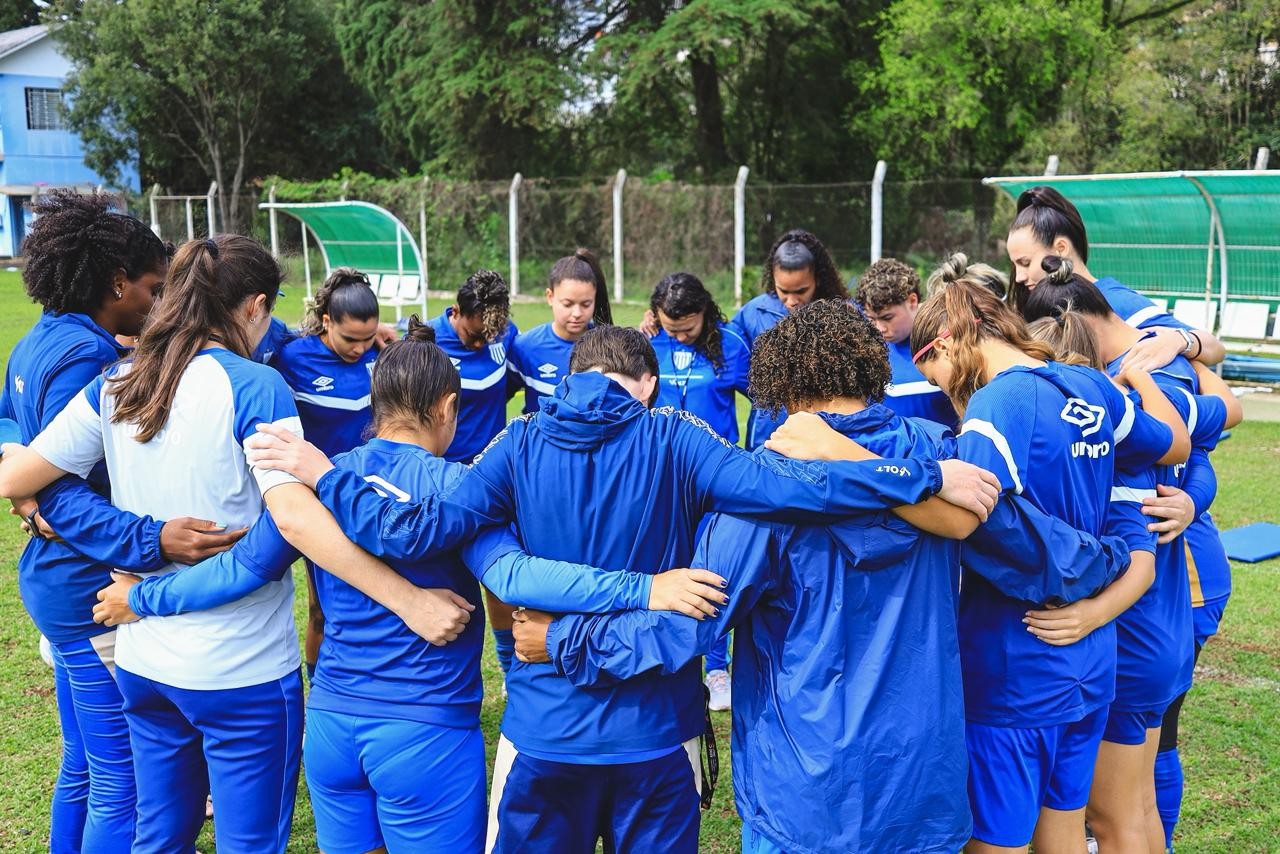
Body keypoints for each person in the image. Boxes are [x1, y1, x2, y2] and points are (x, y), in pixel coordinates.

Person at [246, 325, 1005, 854]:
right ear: (643, 383)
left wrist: (323, 473)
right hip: (658, 734)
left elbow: (420, 533)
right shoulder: (676, 436)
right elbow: (788, 487)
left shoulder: (514, 445)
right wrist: (920, 475)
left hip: (546, 731)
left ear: (566, 378)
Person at [511, 300, 1144, 854]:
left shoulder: (767, 489)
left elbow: (687, 621)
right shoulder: (939, 458)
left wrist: (562, 640)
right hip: (919, 784)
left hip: (801, 795)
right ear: (874, 368)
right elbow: (1042, 549)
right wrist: (1123, 550)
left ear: (780, 389)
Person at [89, 316, 730, 854]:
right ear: (449, 409)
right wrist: (521, 657)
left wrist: (140, 599)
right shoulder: (464, 490)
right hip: (424, 730)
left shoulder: (318, 483)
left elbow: (241, 568)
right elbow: (505, 584)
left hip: (334, 723)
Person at [0, 234, 472, 853]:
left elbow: (15, 476)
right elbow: (291, 530)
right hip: (238, 670)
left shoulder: (118, 379)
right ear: (254, 306)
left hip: (145, 665)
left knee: (157, 838)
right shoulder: (255, 386)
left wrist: (79, 525)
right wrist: (410, 601)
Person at [884, 275, 1176, 852]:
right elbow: (1169, 444)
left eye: (931, 373)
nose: (940, 390)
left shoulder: (996, 404)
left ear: (942, 345)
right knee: (1064, 830)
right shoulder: (1089, 385)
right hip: (1090, 667)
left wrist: (855, 467)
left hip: (1015, 669)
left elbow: (970, 517)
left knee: (997, 841)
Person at [0, 192, 242, 853]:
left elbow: (11, 425)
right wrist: (154, 538)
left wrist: (21, 480)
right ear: (116, 283)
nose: (159, 302)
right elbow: (65, 488)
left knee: (85, 766)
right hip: (90, 591)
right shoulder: (86, 358)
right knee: (123, 783)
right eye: (152, 288)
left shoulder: (42, 335)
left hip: (59, 586)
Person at [1021, 260, 1240, 851]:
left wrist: (1175, 353)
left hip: (1135, 628)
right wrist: (1186, 349)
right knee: (1136, 807)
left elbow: (1193, 437)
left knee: (1112, 819)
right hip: (1160, 627)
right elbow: (1207, 437)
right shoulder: (1144, 385)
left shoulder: (1117, 402)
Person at [272, 267, 381, 678]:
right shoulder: (292, 357)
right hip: (312, 499)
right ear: (327, 321)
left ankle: (367, 682)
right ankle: (320, 687)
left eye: (367, 338)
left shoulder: (377, 353)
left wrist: (378, 341)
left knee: (366, 599)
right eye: (349, 338)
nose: (359, 349)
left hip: (365, 497)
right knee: (320, 606)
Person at [649, 272, 750, 709]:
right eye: (671, 328)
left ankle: (716, 667)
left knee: (712, 569)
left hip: (715, 481)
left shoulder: (731, 345)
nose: (680, 334)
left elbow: (764, 401)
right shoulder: (646, 346)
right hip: (659, 477)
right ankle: (665, 658)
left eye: (687, 327)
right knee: (663, 566)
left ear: (705, 313)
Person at [1004, 185, 1225, 373]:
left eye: (1025, 263)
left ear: (1061, 248)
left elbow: (1215, 348)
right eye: (1014, 265)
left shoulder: (1113, 300)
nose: (1020, 276)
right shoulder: (1038, 305)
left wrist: (1178, 341)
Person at [731, 229, 849, 449]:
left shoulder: (842, 313)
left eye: (801, 291)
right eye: (783, 290)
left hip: (828, 434)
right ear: (772, 278)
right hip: (767, 436)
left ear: (818, 278)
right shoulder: (754, 312)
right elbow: (722, 346)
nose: (792, 300)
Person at [854, 257, 958, 428]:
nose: (879, 328)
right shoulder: (867, 347)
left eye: (887, 318)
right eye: (872, 319)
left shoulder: (947, 339)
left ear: (912, 301)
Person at [510, 250, 612, 414]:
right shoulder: (525, 347)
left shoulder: (610, 345)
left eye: (586, 304)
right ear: (550, 296)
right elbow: (494, 399)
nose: (577, 313)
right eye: (568, 304)